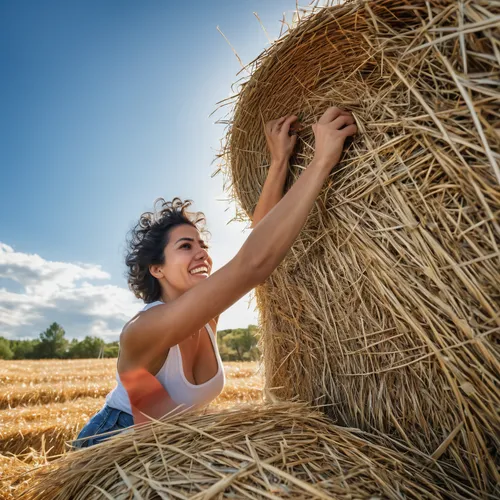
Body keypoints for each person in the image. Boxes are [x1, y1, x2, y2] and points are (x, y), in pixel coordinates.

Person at [72, 107, 356, 448]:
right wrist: (321, 161)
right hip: (110, 445)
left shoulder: (206, 316)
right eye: (185, 246)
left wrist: (280, 161)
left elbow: (261, 238)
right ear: (156, 268)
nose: (201, 254)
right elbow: (252, 264)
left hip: (165, 451)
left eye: (202, 244)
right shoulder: (142, 330)